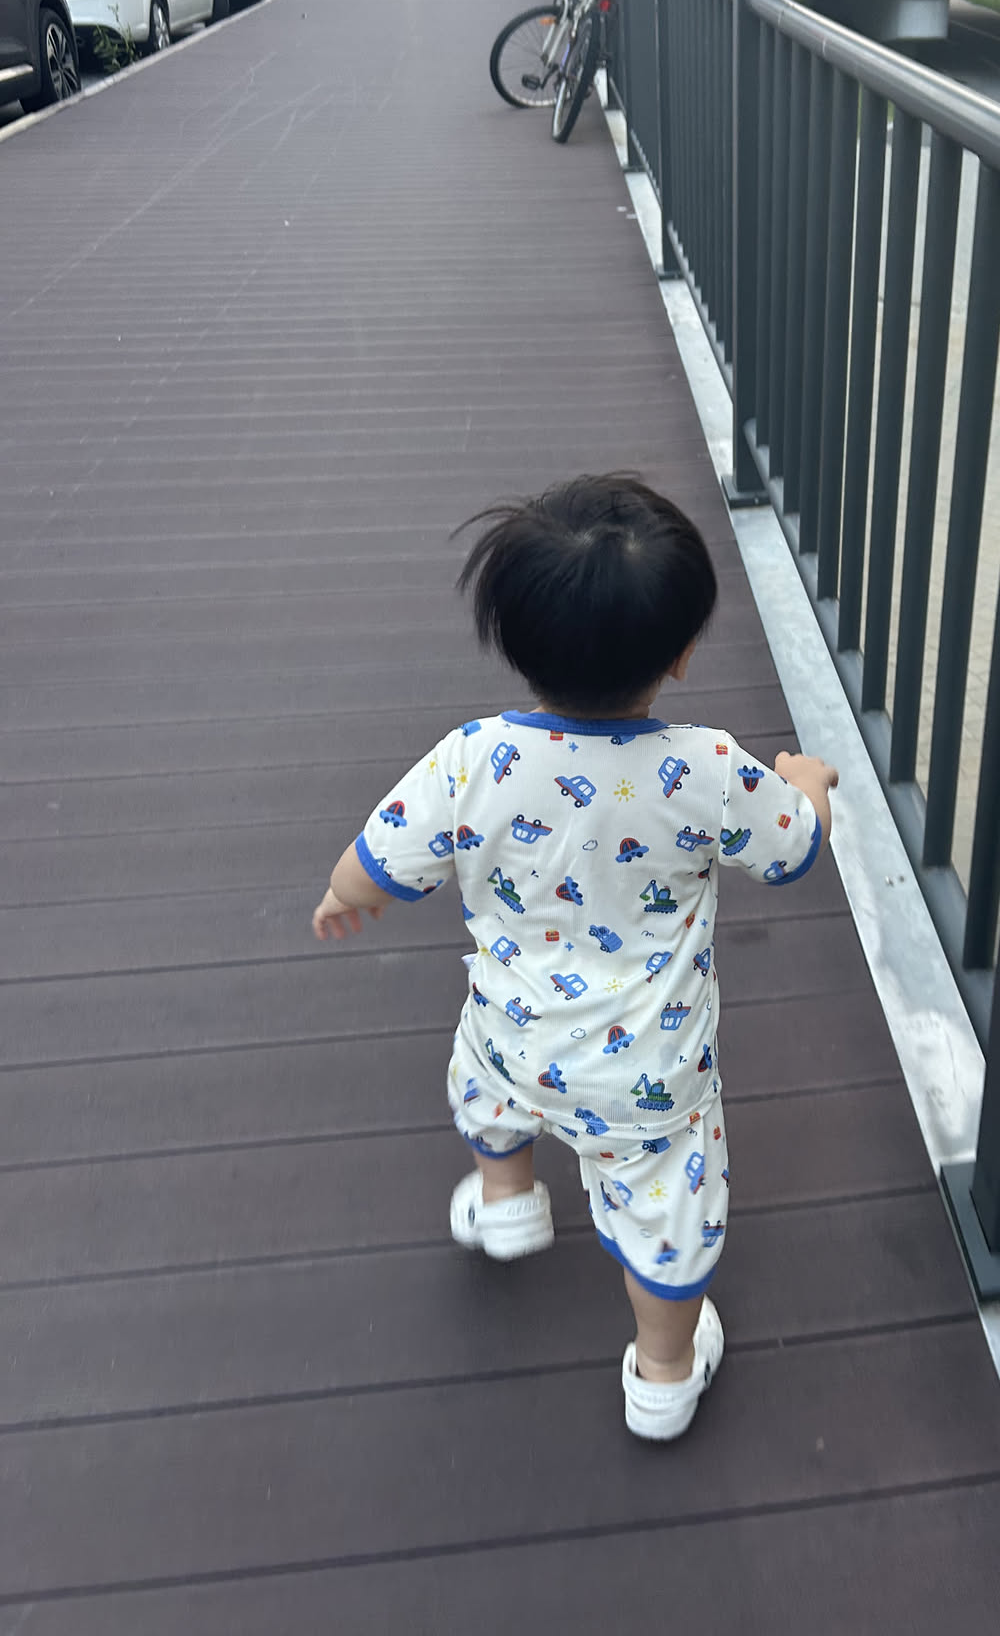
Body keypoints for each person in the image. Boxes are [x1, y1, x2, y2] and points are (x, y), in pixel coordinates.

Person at [312, 475, 838, 1441]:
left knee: (488, 1094)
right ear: (681, 655)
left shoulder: (472, 758)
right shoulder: (709, 769)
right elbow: (795, 849)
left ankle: (507, 1199)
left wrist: (349, 899)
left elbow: (372, 863)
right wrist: (805, 783)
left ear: (513, 642)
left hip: (513, 1036)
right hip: (649, 1081)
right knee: (667, 1218)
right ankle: (664, 1374)